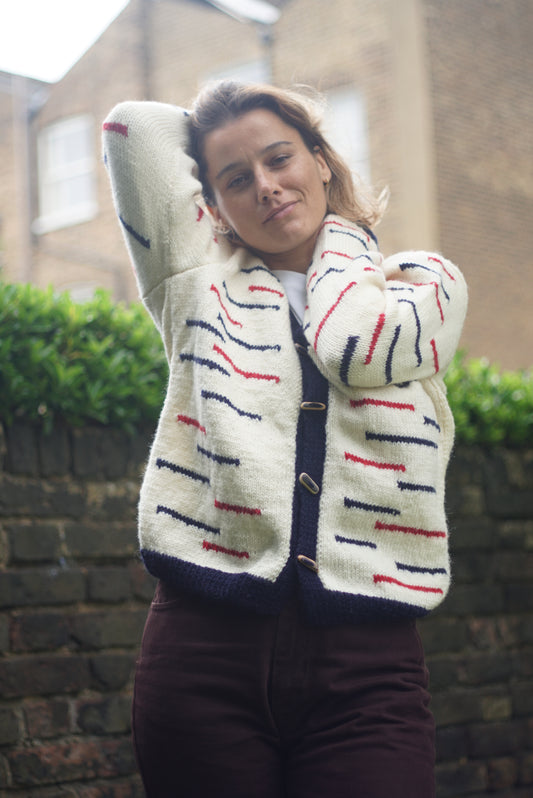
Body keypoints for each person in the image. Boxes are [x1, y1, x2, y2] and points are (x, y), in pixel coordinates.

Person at [103, 80, 467, 798]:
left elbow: (349, 345)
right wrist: (220, 120)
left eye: (280, 158)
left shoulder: (412, 298)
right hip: (202, 654)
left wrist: (343, 249)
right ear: (212, 201)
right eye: (236, 179)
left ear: (321, 160)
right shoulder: (196, 284)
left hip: (368, 671)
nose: (266, 187)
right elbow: (131, 130)